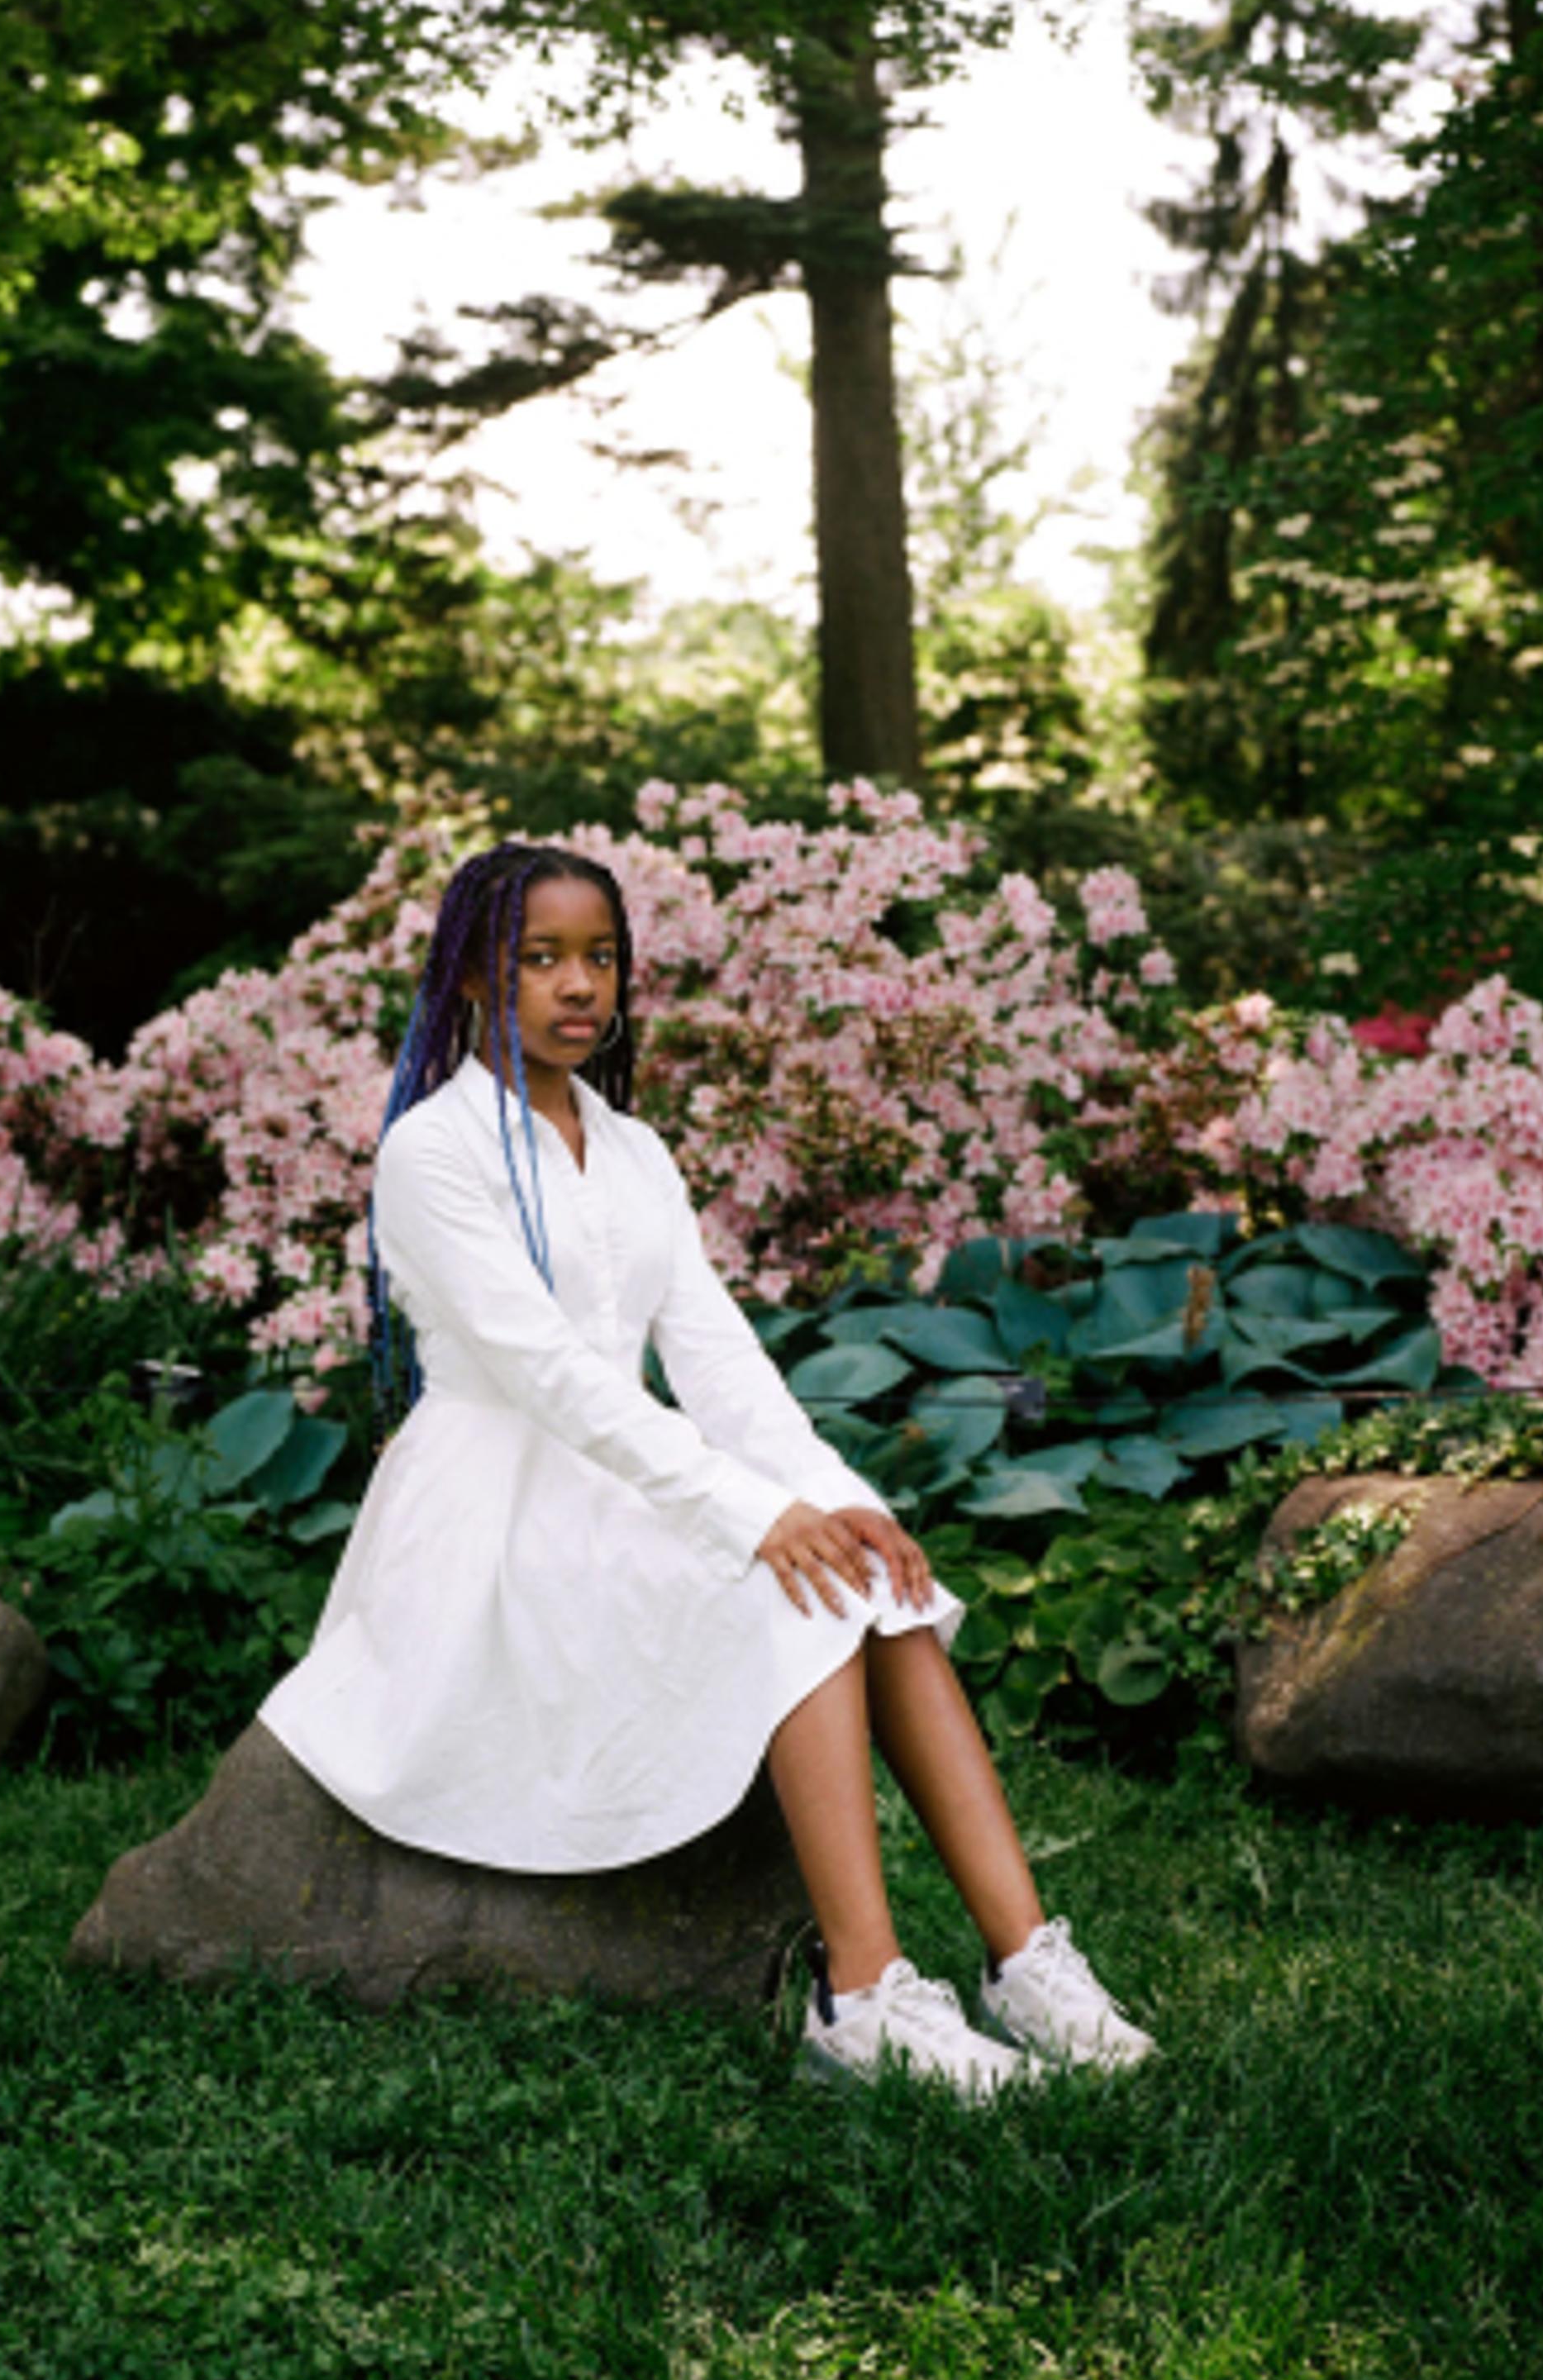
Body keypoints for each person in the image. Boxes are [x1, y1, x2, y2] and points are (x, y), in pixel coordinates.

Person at [257, 840, 1155, 2097]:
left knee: (873, 1583)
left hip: (627, 1476)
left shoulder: (632, 1151)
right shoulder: (432, 1151)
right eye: (543, 959)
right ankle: (861, 1996)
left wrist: (842, 1501)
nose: (581, 985)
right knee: (777, 1589)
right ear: (470, 975)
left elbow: (721, 1365)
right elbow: (555, 1381)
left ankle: (1028, 1961)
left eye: (602, 956)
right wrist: (750, 1515)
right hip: (500, 1508)